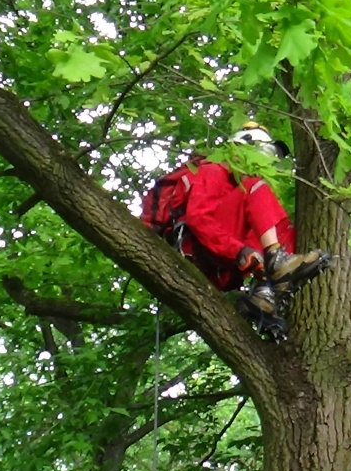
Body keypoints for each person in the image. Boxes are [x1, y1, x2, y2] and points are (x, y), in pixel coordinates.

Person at [141, 122, 331, 336]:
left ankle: (265, 294)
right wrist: (238, 251)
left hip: (219, 264)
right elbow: (198, 218)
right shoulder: (213, 171)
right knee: (255, 186)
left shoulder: (238, 189)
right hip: (196, 249)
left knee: (281, 226)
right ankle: (275, 261)